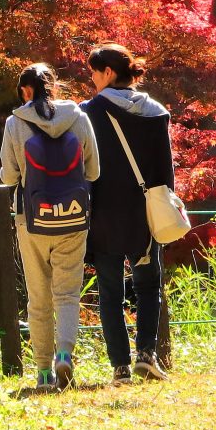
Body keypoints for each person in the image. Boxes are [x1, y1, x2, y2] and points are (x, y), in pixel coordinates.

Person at [0, 62, 100, 391]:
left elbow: (9, 177)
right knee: (67, 294)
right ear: (54, 86)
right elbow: (94, 171)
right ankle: (65, 356)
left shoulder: (15, 123)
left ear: (26, 91)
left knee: (39, 298)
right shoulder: (79, 117)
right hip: (73, 217)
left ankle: (43, 372)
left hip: (32, 220)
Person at [81, 42, 174, 383]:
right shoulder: (155, 112)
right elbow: (165, 170)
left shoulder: (88, 113)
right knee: (149, 286)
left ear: (108, 72)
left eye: (93, 71)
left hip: (104, 211)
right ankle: (147, 356)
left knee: (109, 289)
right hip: (144, 212)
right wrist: (166, 205)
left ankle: (120, 366)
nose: (91, 79)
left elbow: (84, 167)